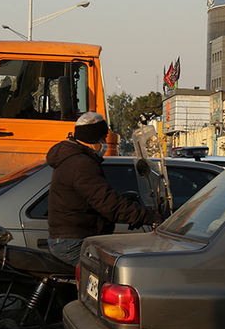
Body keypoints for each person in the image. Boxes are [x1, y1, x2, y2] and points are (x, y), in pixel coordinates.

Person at [45, 111, 161, 266]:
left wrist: (129, 206)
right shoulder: (81, 164)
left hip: (71, 237)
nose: (105, 142)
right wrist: (145, 216)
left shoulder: (73, 159)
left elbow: (97, 198)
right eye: (103, 137)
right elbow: (107, 203)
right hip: (73, 241)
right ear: (93, 139)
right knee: (115, 275)